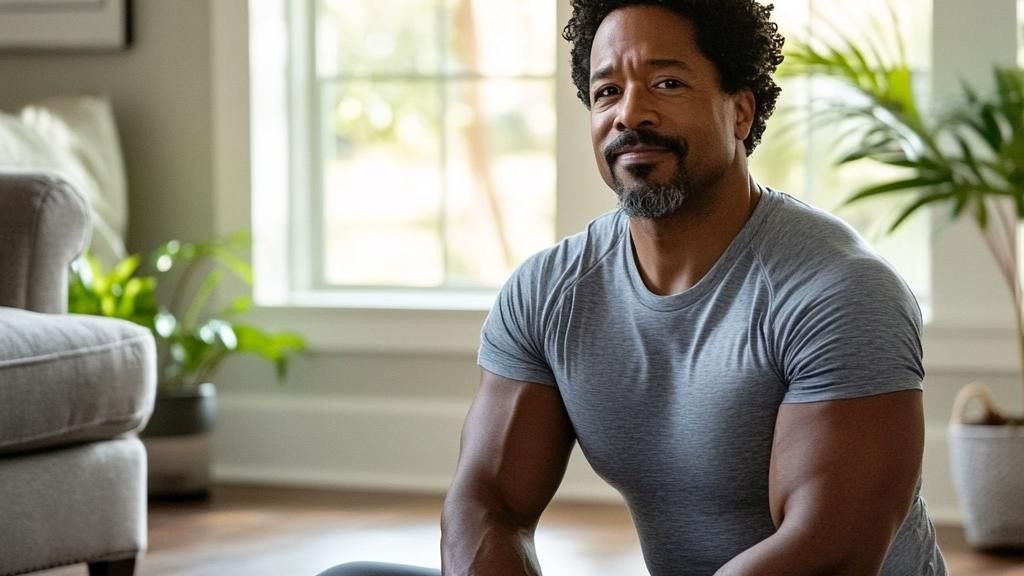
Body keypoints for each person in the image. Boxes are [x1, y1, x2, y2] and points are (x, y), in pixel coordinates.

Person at [319, 0, 947, 574]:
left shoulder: (840, 293)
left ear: (741, 111)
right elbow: (489, 505)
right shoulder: (550, 292)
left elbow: (827, 554)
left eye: (667, 84)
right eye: (607, 91)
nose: (630, 114)